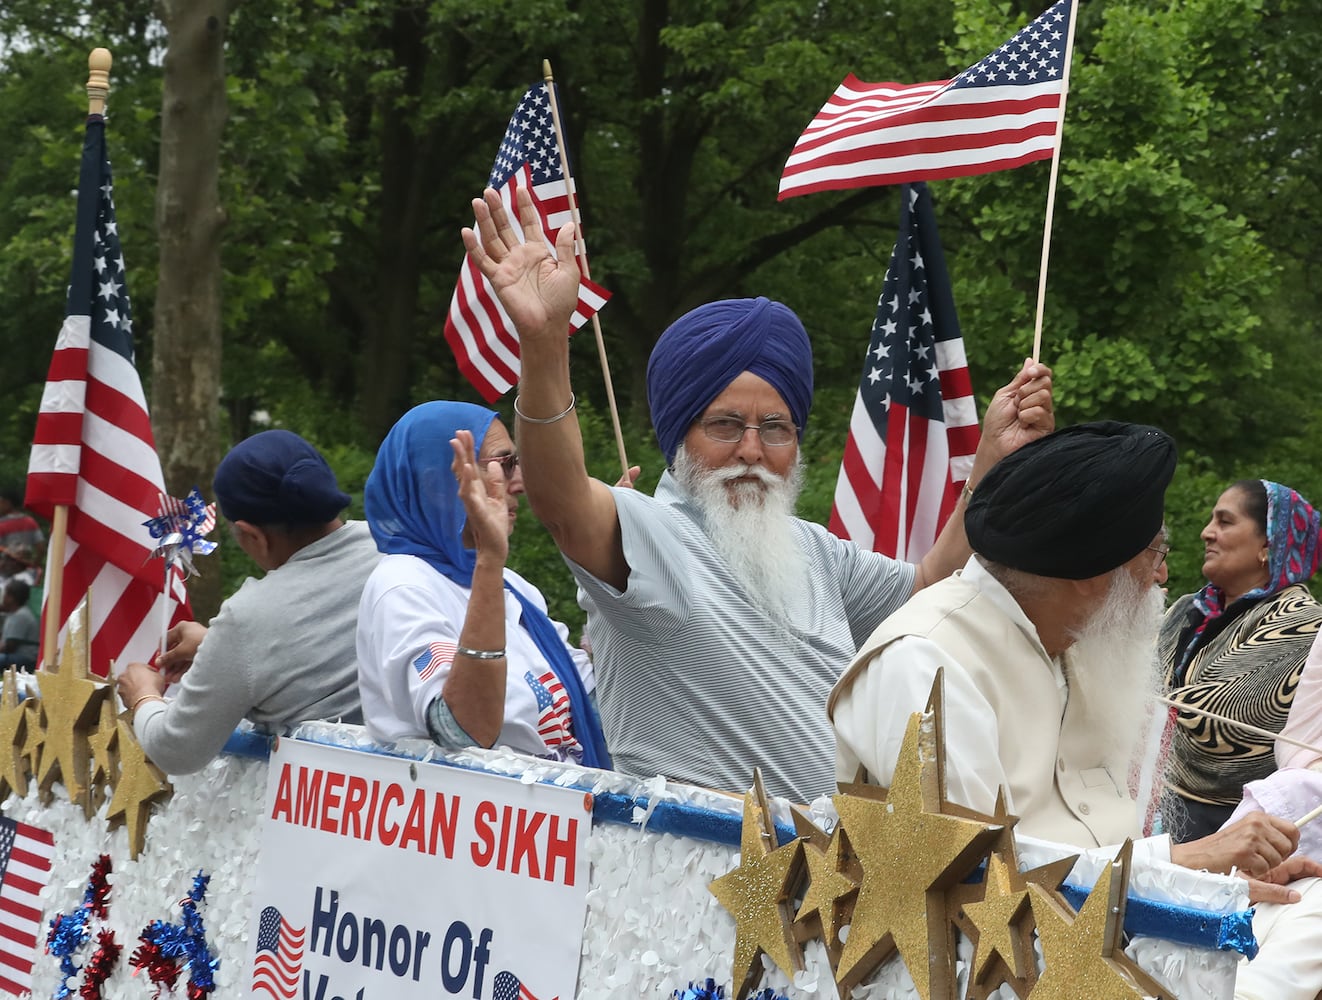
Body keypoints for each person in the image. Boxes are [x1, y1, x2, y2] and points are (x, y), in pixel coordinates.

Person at [460, 186, 1053, 803]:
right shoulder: (653, 534)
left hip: (831, 881)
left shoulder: (813, 551)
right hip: (696, 873)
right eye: (723, 426)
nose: (751, 451)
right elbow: (560, 501)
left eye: (775, 429)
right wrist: (545, 343)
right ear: (678, 436)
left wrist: (989, 464)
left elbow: (930, 584)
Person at [830, 422, 1322, 905]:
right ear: (1093, 571)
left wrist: (1216, 885)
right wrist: (1187, 865)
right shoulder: (925, 664)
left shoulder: (1076, 648)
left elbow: (1096, 849)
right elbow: (972, 887)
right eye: (1155, 554)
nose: (1164, 575)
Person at [355, 401, 609, 767]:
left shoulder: (512, 585)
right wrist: (490, 559)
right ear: (438, 483)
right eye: (505, 465)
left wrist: (612, 574)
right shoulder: (402, 585)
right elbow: (462, 730)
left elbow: (595, 701)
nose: (520, 483)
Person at [116, 430, 379, 774]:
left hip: (313, 810)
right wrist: (216, 648)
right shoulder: (395, 548)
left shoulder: (248, 617)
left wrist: (143, 695)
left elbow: (176, 751)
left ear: (253, 535)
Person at [1157, 480, 1322, 842]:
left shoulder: (1304, 622)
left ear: (1268, 543)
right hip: (1148, 807)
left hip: (1226, 827)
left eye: (1225, 522)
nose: (1206, 533)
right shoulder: (1187, 609)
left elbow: (1219, 727)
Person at [0, 579, 39, 670]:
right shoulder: (14, 614)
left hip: (26, 659)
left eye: (6, 594)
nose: (3, 597)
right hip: (14, 656)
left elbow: (9, 647)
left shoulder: (21, 616)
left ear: (12, 598)